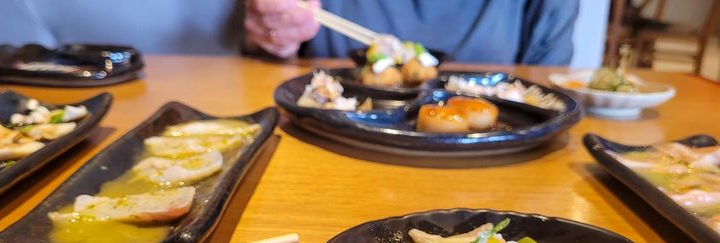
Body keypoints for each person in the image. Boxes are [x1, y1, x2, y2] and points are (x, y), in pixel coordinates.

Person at [244, 0, 580, 65]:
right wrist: (273, 36)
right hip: (326, 148)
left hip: (494, 171)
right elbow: (265, 63)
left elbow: (545, 91)